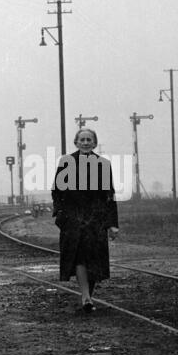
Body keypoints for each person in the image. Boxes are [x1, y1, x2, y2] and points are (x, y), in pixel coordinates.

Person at [52, 128, 119, 312]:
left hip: (96, 220)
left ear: (95, 143)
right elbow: (56, 191)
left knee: (94, 259)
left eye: (89, 139)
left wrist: (113, 224)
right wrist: (60, 213)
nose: (86, 142)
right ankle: (86, 297)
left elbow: (109, 196)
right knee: (80, 257)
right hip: (73, 219)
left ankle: (89, 293)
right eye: (82, 139)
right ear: (76, 142)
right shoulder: (66, 162)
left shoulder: (103, 165)